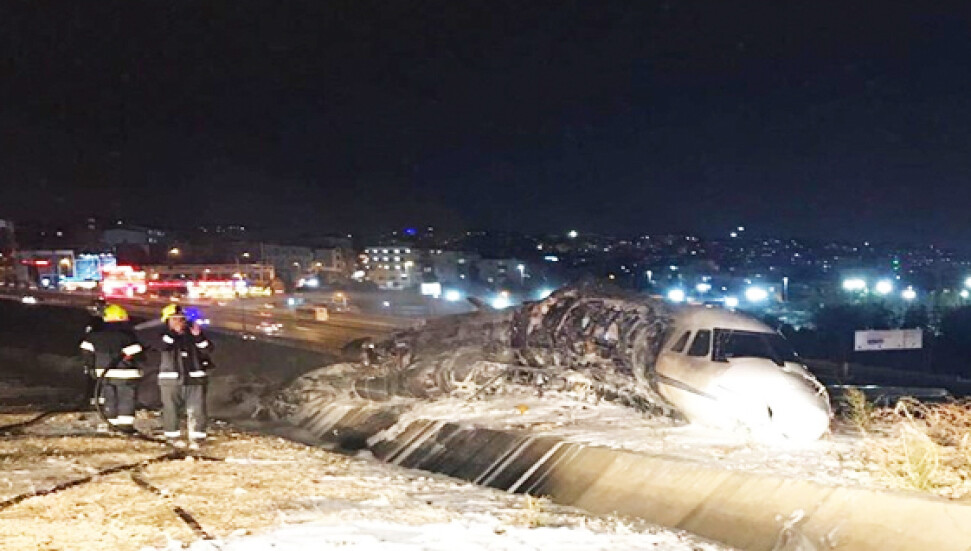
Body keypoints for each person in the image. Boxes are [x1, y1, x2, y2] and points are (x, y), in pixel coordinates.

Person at [78, 304, 144, 433]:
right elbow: (137, 353)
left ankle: (111, 424)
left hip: (103, 374)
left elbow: (86, 350)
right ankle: (125, 426)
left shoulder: (95, 336)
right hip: (126, 373)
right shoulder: (126, 336)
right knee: (126, 398)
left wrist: (91, 367)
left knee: (109, 397)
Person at [158, 303, 214, 449]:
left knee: (197, 409)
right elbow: (163, 346)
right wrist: (173, 333)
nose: (179, 322)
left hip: (195, 379)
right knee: (171, 409)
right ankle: (172, 438)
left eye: (181, 318)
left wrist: (198, 336)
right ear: (167, 321)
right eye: (174, 319)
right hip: (171, 380)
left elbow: (207, 349)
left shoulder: (192, 335)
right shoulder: (162, 335)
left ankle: (197, 438)